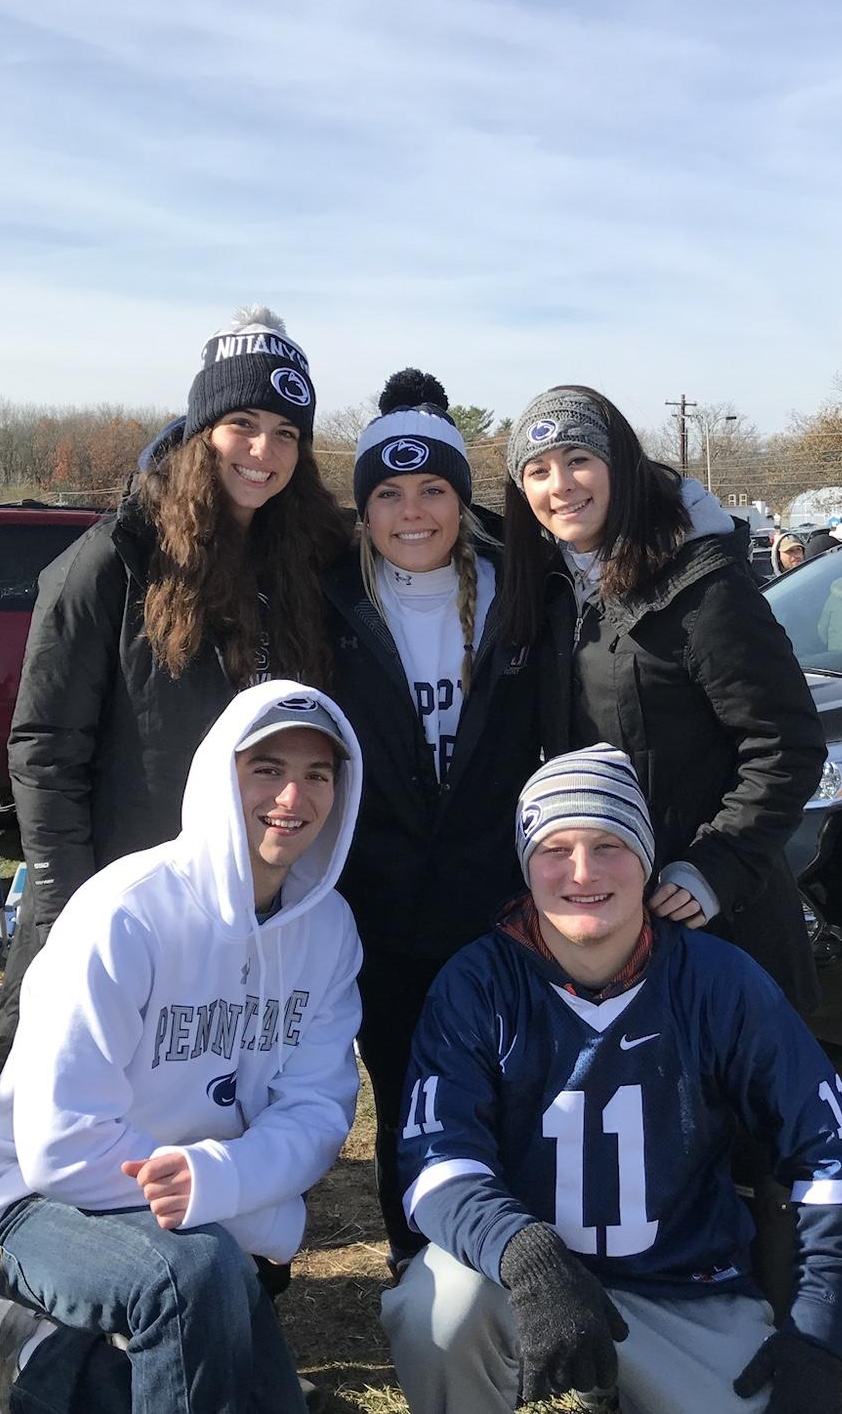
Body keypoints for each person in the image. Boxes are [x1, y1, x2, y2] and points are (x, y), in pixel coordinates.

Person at [382, 747, 842, 1414]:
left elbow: (831, 1152)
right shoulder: (478, 985)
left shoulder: (718, 981)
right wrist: (525, 1256)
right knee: (435, 1312)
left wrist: (817, 1334)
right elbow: (438, 1163)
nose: (582, 872)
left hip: (684, 1288)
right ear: (526, 865)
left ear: (646, 858)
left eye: (609, 844)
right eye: (555, 848)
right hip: (524, 1280)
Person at [0, 682, 365, 1414]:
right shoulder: (126, 910)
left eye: (318, 775)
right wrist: (252, 1210)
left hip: (198, 1214)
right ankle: (50, 1334)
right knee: (196, 1275)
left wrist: (218, 1182)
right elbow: (61, 1143)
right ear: (217, 775)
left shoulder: (327, 929)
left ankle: (47, 1351)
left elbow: (317, 1111)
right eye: (266, 769)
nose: (292, 797)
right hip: (33, 1202)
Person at [0, 305, 352, 1035]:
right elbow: (46, 751)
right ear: (201, 431)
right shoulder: (114, 561)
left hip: (240, 922)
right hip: (119, 909)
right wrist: (73, 916)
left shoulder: (303, 567)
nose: (265, 449)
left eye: (288, 433)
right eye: (244, 424)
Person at [499, 385, 826, 1014]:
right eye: (537, 471)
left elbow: (786, 745)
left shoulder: (702, 587)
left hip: (715, 931)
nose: (560, 484)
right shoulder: (553, 591)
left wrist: (716, 867)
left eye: (579, 460)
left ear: (620, 466)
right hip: (601, 926)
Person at [323, 369, 540, 1269]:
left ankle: (521, 1256)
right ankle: (418, 1258)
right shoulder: (330, 601)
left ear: (461, 497)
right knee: (407, 1091)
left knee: (509, 1088)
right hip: (382, 908)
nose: (413, 513)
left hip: (498, 902)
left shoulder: (521, 592)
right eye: (389, 494)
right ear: (365, 509)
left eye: (433, 490)